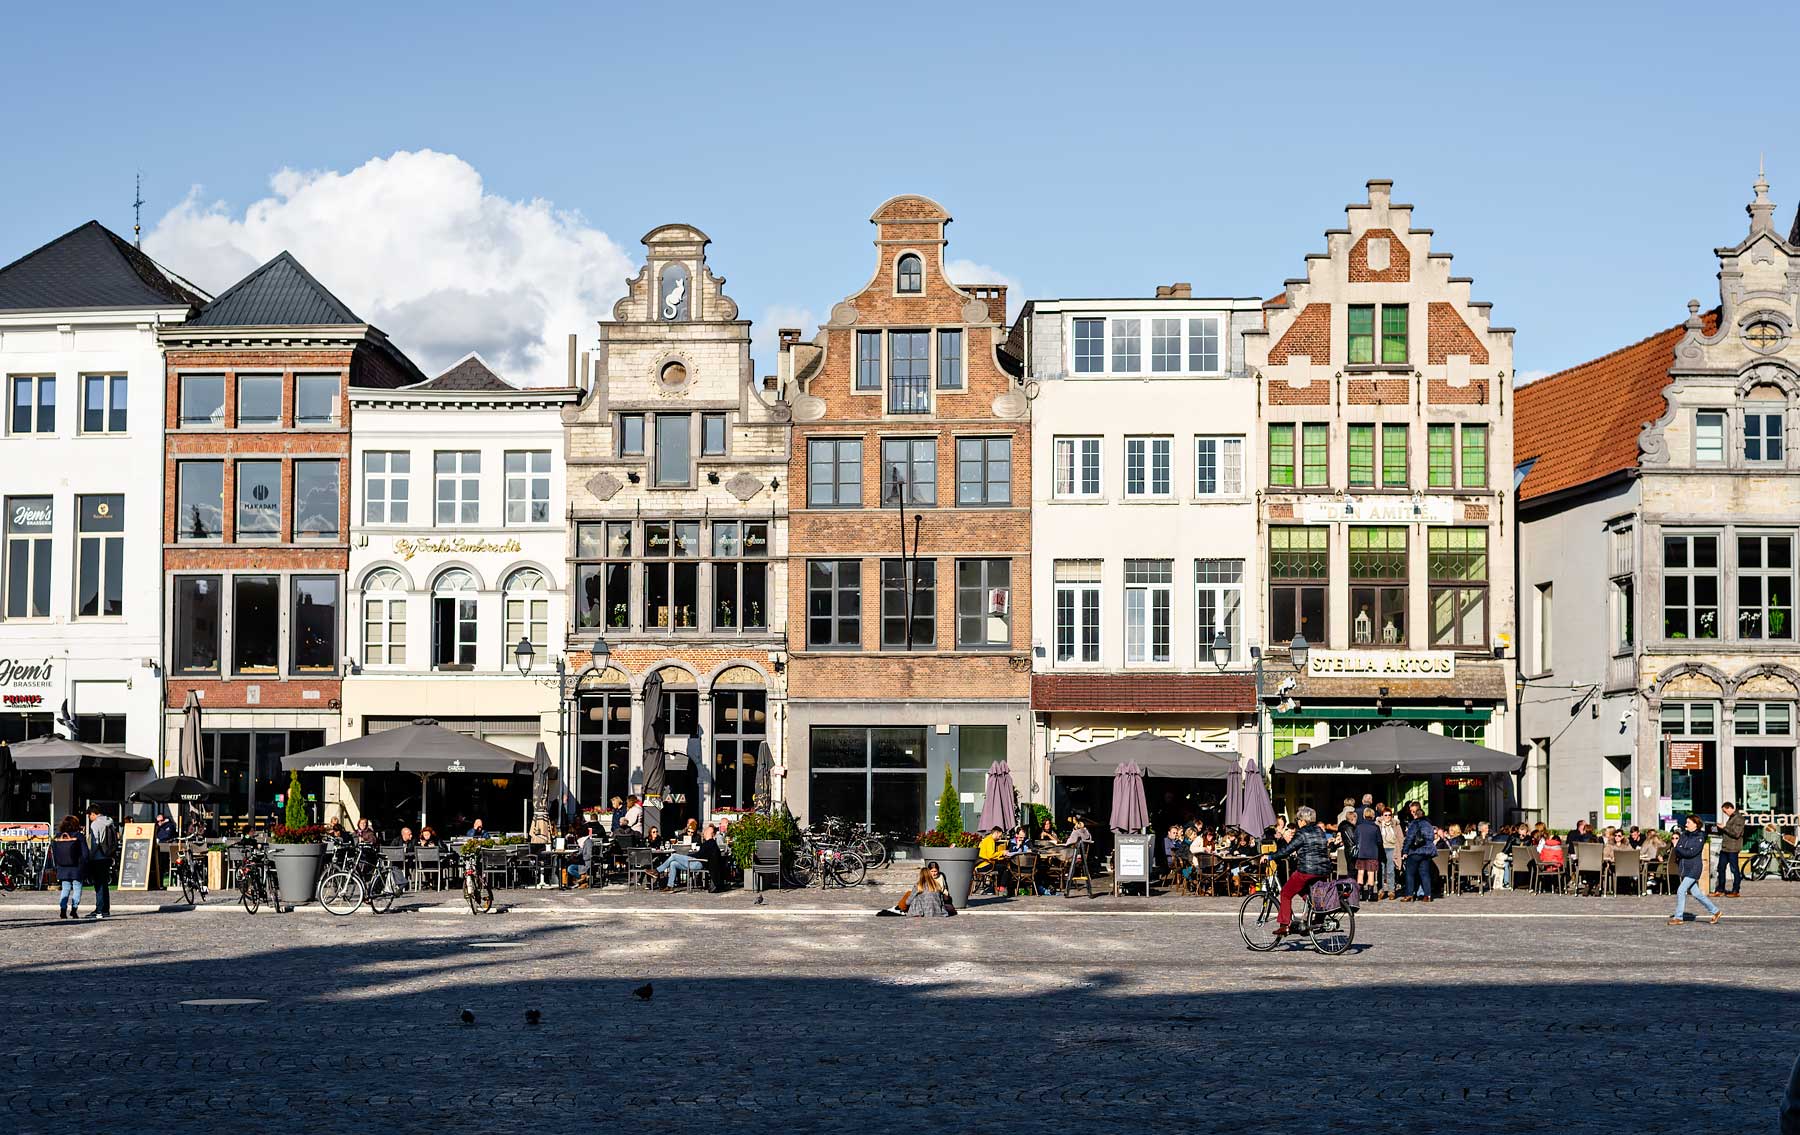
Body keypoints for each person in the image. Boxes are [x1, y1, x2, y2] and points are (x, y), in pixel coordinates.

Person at [1266, 806, 1333, 938]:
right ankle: (1316, 916)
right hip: (1324, 870)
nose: (1297, 822)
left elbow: (1288, 849)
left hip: (1307, 870)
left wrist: (1270, 856)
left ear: (1302, 820)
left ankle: (1284, 925)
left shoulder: (1302, 833)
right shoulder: (1319, 831)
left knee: (1285, 893)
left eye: (1298, 820)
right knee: (1306, 891)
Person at [1670, 814, 1722, 926]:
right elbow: (1679, 849)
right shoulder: (1684, 834)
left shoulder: (1700, 836)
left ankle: (1678, 917)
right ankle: (1715, 911)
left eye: (1688, 822)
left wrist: (1679, 848)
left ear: (1695, 824)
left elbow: (1691, 852)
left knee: (1681, 890)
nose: (1686, 824)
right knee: (1696, 893)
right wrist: (1680, 848)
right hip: (1684, 867)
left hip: (1694, 868)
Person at [51, 815, 87, 920]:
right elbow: (85, 853)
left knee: (65, 889)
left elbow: (54, 853)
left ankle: (63, 911)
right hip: (77, 867)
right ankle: (74, 910)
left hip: (62, 867)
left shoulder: (58, 836)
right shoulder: (79, 836)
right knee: (77, 889)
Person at [84, 804, 116, 920]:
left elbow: (95, 842)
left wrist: (89, 856)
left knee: (99, 885)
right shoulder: (110, 822)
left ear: (93, 814)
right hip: (107, 855)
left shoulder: (95, 824)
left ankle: (99, 909)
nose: (89, 818)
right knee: (104, 884)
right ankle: (105, 909)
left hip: (98, 857)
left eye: (89, 816)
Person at [1400, 802, 1437, 902]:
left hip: (1416, 851)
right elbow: (1432, 837)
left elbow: (1409, 839)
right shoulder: (1429, 824)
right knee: (1425, 874)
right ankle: (1428, 895)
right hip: (1427, 852)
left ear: (1416, 814)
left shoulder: (1414, 823)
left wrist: (1405, 851)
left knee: (1410, 873)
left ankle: (1409, 894)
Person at [1711, 801, 1746, 898]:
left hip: (1733, 848)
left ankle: (1736, 890)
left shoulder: (1739, 818)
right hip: (1725, 848)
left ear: (1729, 808)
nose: (1724, 813)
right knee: (1721, 868)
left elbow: (1736, 833)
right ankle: (1720, 889)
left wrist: (1724, 827)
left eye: (1725, 811)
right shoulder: (1732, 817)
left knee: (1734, 869)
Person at [1354, 807, 1382, 901]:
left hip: (1361, 852)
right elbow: (1379, 841)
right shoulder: (1375, 827)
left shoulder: (1359, 827)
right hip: (1372, 853)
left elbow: (1355, 839)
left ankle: (1360, 894)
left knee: (1360, 873)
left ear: (1364, 815)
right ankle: (1370, 895)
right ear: (1373, 816)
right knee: (1371, 873)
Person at [1377, 806, 1401, 900]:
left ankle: (1391, 891)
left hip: (1392, 848)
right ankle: (1381, 890)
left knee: (1391, 870)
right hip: (1381, 849)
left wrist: (1401, 849)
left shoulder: (1395, 824)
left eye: (1389, 815)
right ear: (1382, 816)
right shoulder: (1378, 824)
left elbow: (1400, 837)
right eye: (1385, 815)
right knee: (1381, 870)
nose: (1387, 817)